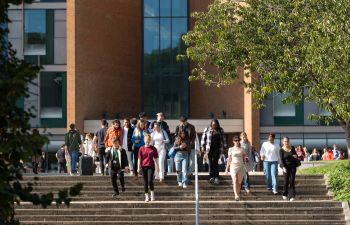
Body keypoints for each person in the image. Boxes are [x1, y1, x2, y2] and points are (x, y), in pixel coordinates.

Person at [201, 119, 227, 184]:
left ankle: (216, 177)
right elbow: (203, 138)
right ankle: (211, 177)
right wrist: (202, 146)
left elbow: (224, 138)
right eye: (213, 124)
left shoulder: (220, 130)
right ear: (211, 124)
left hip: (217, 149)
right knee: (210, 162)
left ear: (217, 124)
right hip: (209, 149)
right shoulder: (207, 129)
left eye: (215, 124)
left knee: (215, 162)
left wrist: (225, 146)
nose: (214, 126)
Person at [138, 135, 159, 202]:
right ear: (144, 140)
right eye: (146, 140)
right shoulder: (141, 148)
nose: (147, 141)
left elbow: (156, 158)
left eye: (148, 140)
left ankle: (152, 194)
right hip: (143, 166)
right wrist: (138, 167)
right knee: (145, 182)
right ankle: (146, 196)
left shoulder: (153, 148)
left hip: (151, 166)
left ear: (150, 140)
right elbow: (139, 158)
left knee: (150, 180)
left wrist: (158, 166)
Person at [225, 136, 246, 201]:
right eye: (236, 140)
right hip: (233, 165)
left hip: (241, 166)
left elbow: (244, 157)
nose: (237, 142)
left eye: (238, 140)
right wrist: (226, 169)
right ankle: (236, 195)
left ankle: (238, 194)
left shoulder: (242, 149)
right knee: (235, 180)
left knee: (239, 182)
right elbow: (229, 159)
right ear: (233, 141)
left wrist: (246, 158)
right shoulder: (231, 149)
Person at [280, 137, 298, 201]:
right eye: (285, 141)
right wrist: (283, 167)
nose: (286, 142)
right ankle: (285, 194)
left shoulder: (292, 148)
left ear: (289, 141)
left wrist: (295, 156)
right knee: (286, 181)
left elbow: (296, 155)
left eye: (287, 141)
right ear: (283, 142)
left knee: (292, 181)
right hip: (285, 167)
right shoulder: (281, 150)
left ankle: (292, 196)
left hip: (292, 166)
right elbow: (281, 160)